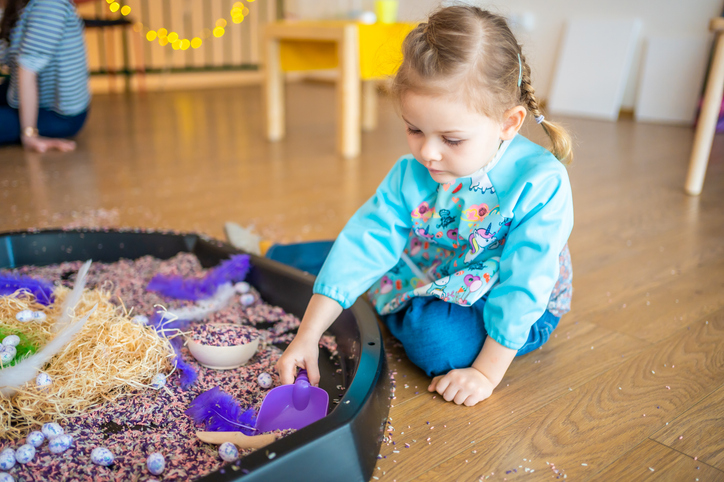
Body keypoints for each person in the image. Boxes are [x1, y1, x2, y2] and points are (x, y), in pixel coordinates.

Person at [276, 5, 574, 407]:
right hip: (439, 262)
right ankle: (285, 260)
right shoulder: (410, 173)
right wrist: (307, 335)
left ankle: (376, 284)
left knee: (436, 344)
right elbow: (367, 239)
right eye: (414, 129)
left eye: (451, 139)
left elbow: (524, 285)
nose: (428, 153)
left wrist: (486, 372)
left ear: (508, 123)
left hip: (516, 308)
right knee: (360, 251)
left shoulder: (541, 182)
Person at [0, 0, 90, 152]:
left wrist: (29, 134)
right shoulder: (17, 4)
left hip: (57, 113)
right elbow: (5, 53)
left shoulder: (50, 4)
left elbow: (27, 68)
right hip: (18, 91)